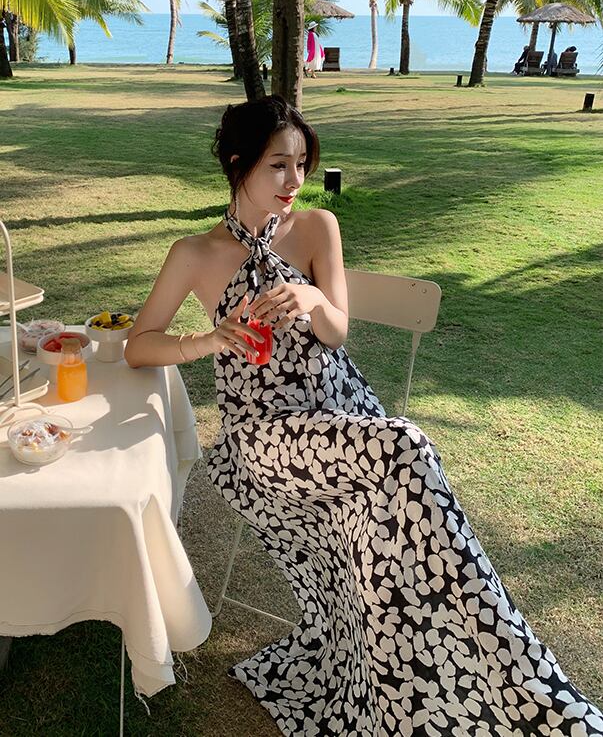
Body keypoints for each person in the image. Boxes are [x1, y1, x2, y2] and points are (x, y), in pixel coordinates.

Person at [125, 95, 603, 736]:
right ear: (238, 163)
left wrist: (313, 297)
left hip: (342, 409)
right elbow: (138, 345)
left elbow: (338, 332)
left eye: (302, 163)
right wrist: (206, 340)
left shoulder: (317, 228)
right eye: (278, 165)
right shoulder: (196, 253)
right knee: (407, 450)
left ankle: (462, 665)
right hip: (263, 432)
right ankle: (485, 665)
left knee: (400, 496)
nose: (295, 180)